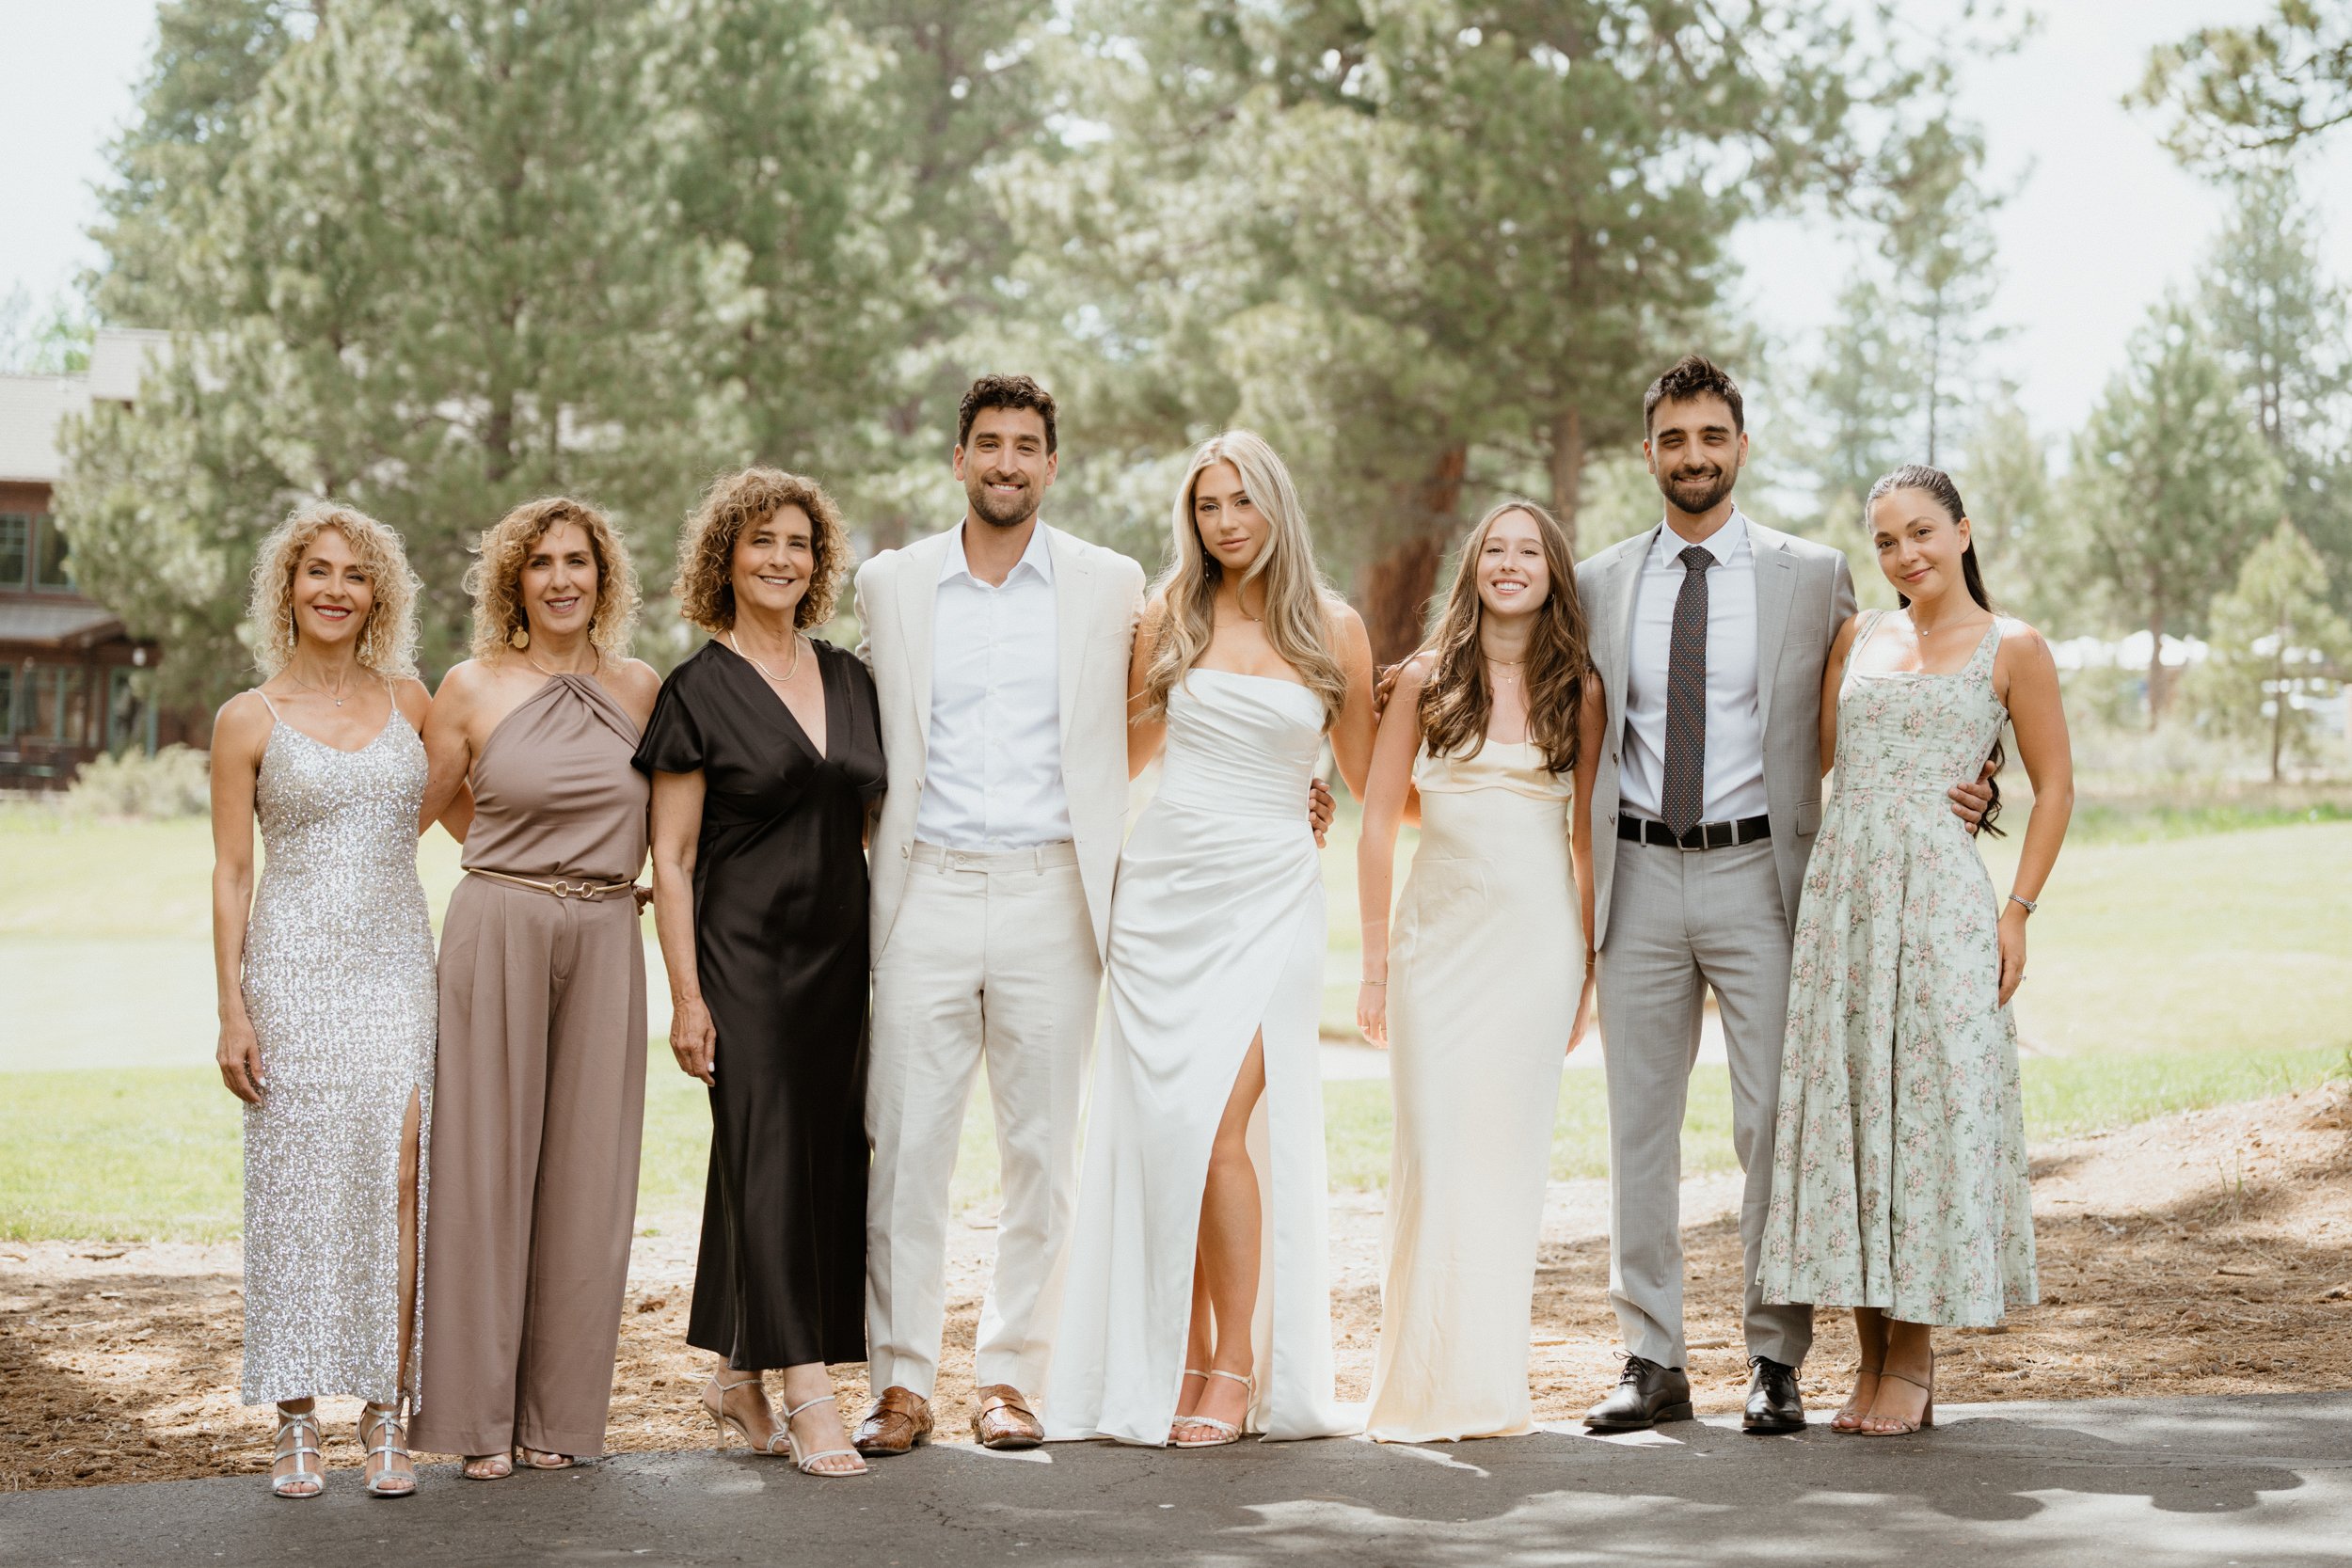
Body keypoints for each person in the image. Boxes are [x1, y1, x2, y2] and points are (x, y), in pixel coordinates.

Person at [850, 375, 1333, 1457]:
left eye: (1027, 446)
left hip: (1053, 892)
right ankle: (901, 1380)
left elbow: (1153, 730)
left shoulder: (1113, 585)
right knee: (907, 1148)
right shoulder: (891, 582)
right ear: (960, 458)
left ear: (1052, 465)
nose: (1008, 463)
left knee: (1043, 1154)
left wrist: (1301, 786)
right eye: (989, 444)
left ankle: (1012, 1376)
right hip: (922, 884)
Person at [1570, 356, 1993, 1434]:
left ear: (1741, 445)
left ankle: (1775, 1355)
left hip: (1765, 877)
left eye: (1712, 435)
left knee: (1778, 1125)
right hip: (1637, 874)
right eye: (1673, 438)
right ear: (1650, 450)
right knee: (1640, 1129)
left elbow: (1901, 684)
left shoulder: (1813, 574)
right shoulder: (1603, 578)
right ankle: (1650, 1355)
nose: (1694, 455)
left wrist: (1976, 771)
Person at [1044, 428, 1375, 1448]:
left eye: (1241, 500)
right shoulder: (1168, 614)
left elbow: (1371, 777)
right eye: (1207, 506)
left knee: (1223, 1132)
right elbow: (1128, 753)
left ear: (1277, 503)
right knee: (1160, 1133)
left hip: (1272, 894)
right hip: (1162, 897)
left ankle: (1233, 1366)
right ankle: (1172, 1359)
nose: (1225, 522)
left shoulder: (1334, 627)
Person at [1760, 465, 2071, 1436]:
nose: (1905, 554)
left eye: (1923, 531)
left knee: (1928, 1117)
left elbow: (2055, 785)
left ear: (1964, 530)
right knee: (1853, 1113)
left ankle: (1914, 1356)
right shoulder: (1858, 638)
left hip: (1940, 900)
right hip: (1844, 896)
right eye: (1887, 540)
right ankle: (1863, 1359)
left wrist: (2015, 908)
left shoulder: (2012, 645)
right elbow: (1817, 758)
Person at [638, 468, 885, 1478]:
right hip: (743, 955)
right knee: (770, 1149)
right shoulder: (695, 688)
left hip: (841, 951)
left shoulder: (852, 678)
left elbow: (872, 820)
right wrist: (687, 995)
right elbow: (675, 857)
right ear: (724, 558)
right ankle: (809, 1385)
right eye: (760, 542)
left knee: (807, 1157)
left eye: (798, 543)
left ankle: (738, 1374)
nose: (781, 558)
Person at [408, 497, 662, 1478]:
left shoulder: (641, 687)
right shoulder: (469, 687)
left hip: (606, 932)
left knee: (587, 1176)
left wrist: (591, 875)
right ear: (514, 578)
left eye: (580, 562)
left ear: (604, 578)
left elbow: (677, 821)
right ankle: (475, 1419)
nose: (562, 578)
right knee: (482, 1168)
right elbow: (427, 808)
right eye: (543, 562)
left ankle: (556, 1414)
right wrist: (517, 862)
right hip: (498, 928)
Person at [1356, 500, 1606, 1444]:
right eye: (1493, 550)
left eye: (1527, 551)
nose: (1509, 564)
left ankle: (1487, 1389)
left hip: (1536, 951)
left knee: (1505, 1163)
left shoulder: (1576, 686)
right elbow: (1376, 822)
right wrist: (1375, 964)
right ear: (1471, 570)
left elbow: (1583, 835)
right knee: (1433, 1151)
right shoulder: (1424, 679)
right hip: (1434, 950)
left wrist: (1586, 964)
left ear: (1552, 571)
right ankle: (1417, 1389)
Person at [209, 502, 438, 1498]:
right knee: (297, 1189)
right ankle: (295, 1416)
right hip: (291, 973)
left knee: (399, 1176)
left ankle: (388, 1412)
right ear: (288, 588)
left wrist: (592, 871)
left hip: (397, 966)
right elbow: (229, 873)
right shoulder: (245, 716)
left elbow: (481, 812)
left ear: (375, 591)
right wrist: (231, 1008)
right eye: (317, 571)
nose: (335, 588)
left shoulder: (412, 700)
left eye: (353, 573)